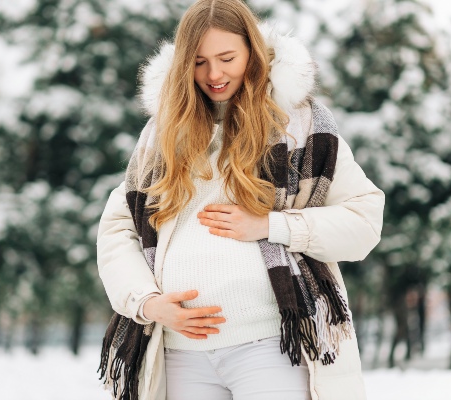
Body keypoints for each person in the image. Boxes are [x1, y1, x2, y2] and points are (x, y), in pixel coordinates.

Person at [96, 0, 384, 399]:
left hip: (272, 347)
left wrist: (272, 225)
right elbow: (118, 231)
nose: (213, 74)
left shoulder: (300, 126)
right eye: (198, 62)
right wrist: (147, 303)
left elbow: (364, 222)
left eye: (226, 57)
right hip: (179, 354)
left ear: (251, 50)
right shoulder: (160, 135)